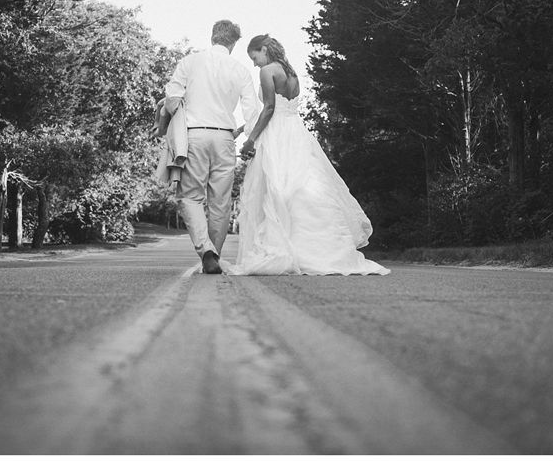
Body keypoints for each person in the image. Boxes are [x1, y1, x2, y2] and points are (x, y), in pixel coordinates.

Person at [228, 34, 389, 276]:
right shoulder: (291, 73)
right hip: (297, 133)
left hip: (278, 135)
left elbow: (270, 109)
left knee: (277, 190)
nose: (254, 63)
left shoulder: (268, 71)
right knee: (304, 188)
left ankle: (286, 249)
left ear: (263, 49)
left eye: (254, 57)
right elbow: (282, 108)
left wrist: (250, 140)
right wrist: (244, 127)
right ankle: (319, 250)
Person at [164, 20, 260, 274]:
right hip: (225, 139)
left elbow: (172, 98)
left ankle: (205, 249)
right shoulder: (239, 69)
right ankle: (213, 255)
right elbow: (252, 111)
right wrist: (251, 140)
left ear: (212, 36)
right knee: (221, 202)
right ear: (233, 43)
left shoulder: (190, 62)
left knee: (190, 196)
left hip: (194, 136)